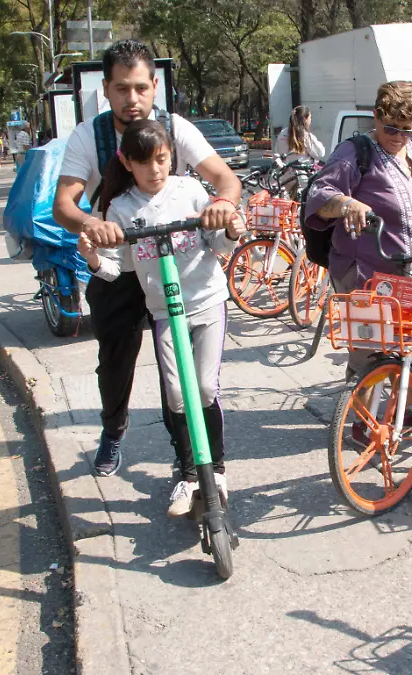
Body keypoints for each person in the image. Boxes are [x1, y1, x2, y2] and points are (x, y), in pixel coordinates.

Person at [52, 38, 242, 477]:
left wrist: (224, 207)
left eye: (140, 87)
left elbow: (224, 180)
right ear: (106, 90)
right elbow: (64, 205)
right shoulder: (89, 135)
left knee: (175, 372)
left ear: (155, 86)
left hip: (173, 261)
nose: (131, 99)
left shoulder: (174, 130)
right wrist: (90, 225)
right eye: (121, 89)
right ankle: (114, 429)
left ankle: (189, 464)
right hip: (121, 257)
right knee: (115, 358)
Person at [78, 119, 245, 515]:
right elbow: (118, 270)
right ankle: (188, 476)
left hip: (206, 301)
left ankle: (216, 470)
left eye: (162, 160)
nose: (155, 170)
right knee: (176, 394)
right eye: (145, 163)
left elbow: (216, 243)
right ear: (127, 163)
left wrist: (231, 229)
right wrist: (93, 256)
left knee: (204, 388)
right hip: (164, 312)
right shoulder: (120, 208)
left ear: (171, 156)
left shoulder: (189, 191)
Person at [303, 80, 412, 433]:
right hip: (367, 272)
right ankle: (364, 424)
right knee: (370, 352)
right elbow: (321, 192)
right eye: (391, 128)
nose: (400, 135)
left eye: (407, 128)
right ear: (376, 115)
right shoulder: (356, 152)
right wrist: (346, 203)